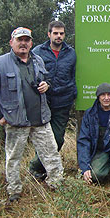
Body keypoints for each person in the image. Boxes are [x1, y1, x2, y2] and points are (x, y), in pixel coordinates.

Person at [0, 27, 63, 203]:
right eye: (20, 40)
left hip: (40, 119)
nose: (23, 43)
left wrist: (46, 85)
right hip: (15, 121)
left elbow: (47, 79)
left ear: (31, 43)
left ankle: (57, 185)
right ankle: (14, 192)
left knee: (51, 154)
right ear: (12, 42)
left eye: (27, 40)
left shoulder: (38, 60)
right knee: (13, 159)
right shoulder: (0, 63)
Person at [28, 20, 77, 180]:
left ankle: (35, 165)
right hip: (43, 102)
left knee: (57, 139)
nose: (59, 36)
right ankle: (41, 171)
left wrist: (73, 93)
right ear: (49, 34)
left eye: (61, 33)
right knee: (43, 138)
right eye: (55, 33)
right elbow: (30, 75)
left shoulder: (70, 53)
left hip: (63, 102)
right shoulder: (37, 52)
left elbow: (72, 75)